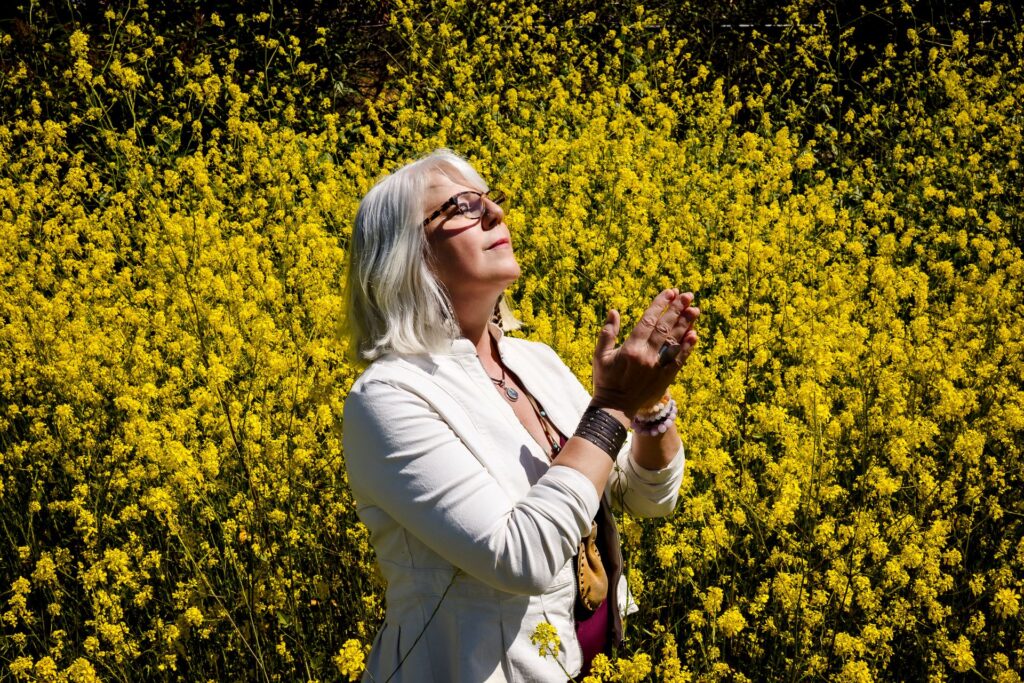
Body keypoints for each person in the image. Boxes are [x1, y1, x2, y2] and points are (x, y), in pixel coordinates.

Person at [342, 149, 700, 682]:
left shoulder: (534, 360)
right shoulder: (390, 398)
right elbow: (518, 557)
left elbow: (645, 497)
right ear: (405, 253)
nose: (494, 214)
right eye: (463, 206)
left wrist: (645, 407)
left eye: (491, 199)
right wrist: (613, 406)